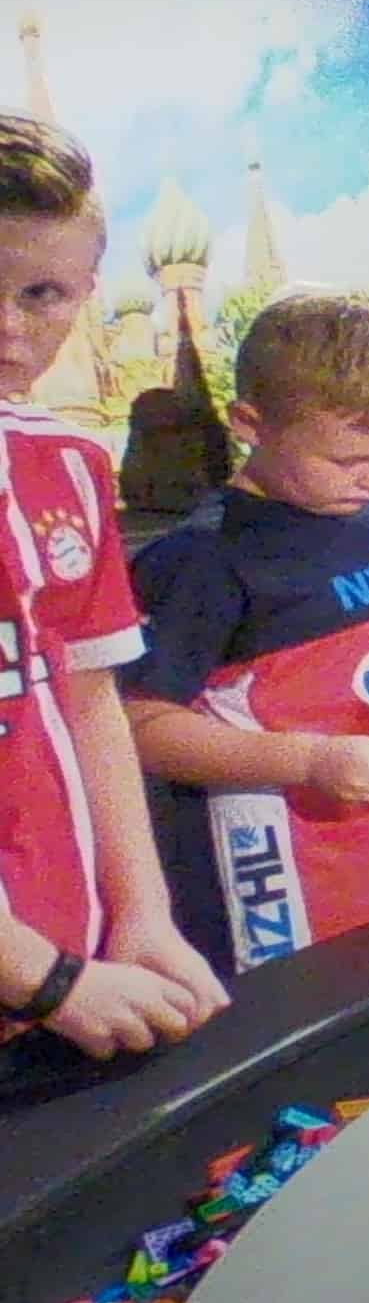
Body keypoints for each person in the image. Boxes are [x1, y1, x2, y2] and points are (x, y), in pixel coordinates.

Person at [125, 291, 369, 975]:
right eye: (347, 460)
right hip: (286, 883)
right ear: (250, 425)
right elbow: (140, 727)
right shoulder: (203, 558)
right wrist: (310, 763)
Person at [0, 118, 225, 1060]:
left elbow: (92, 702)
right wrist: (44, 978)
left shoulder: (71, 464)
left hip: (71, 976)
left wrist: (142, 915)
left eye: (41, 293)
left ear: (86, 292)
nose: (11, 327)